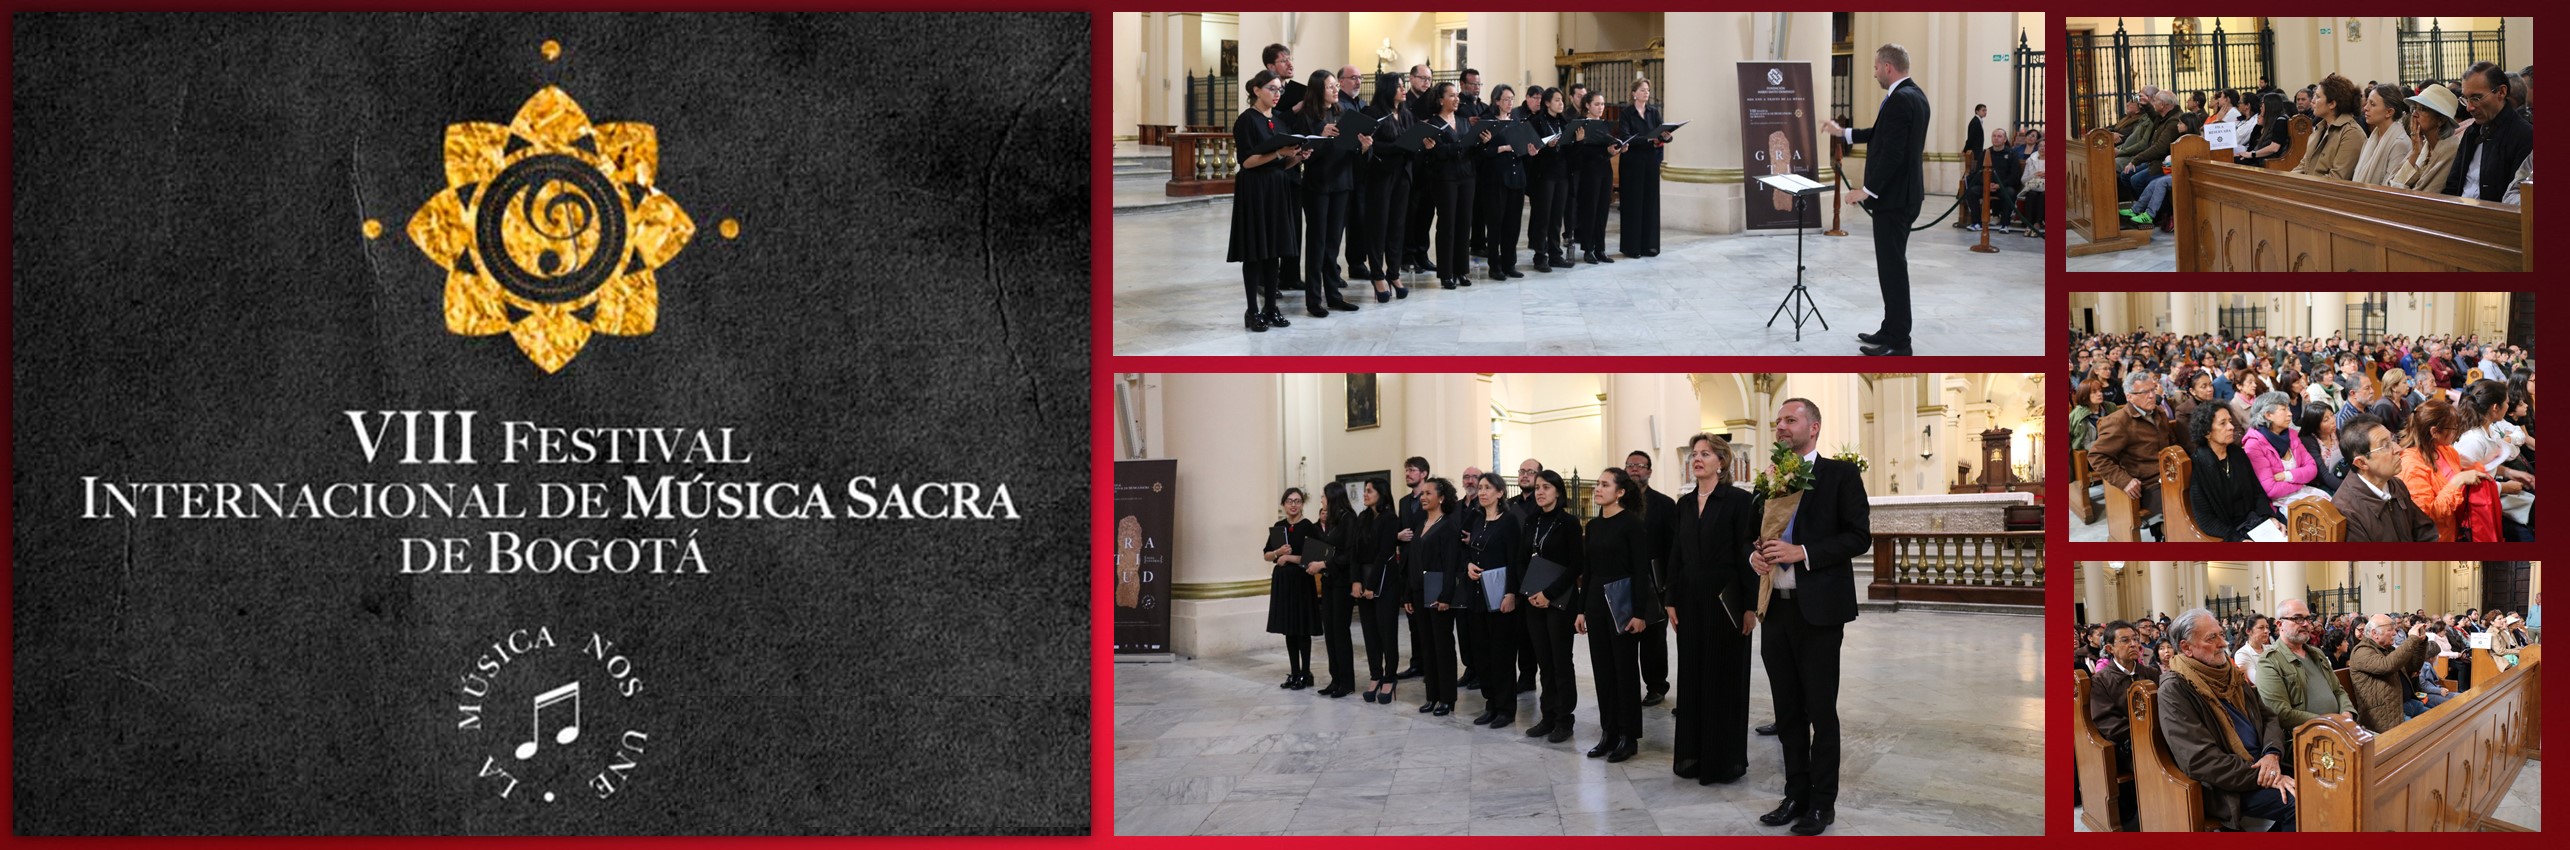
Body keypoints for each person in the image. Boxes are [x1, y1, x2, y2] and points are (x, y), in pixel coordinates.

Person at [1749, 398, 1871, 836]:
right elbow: (1756, 535)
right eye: (1778, 420)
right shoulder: (1769, 479)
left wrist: (1803, 553)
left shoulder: (1839, 474)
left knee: (1821, 709)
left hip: (1818, 613)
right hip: (1775, 611)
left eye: (1790, 420)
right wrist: (1755, 558)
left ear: (1814, 427)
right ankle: (1794, 794)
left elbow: (1859, 536)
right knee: (1786, 712)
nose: (1780, 426)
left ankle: (1822, 803)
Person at [1823, 44, 1930, 357]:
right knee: (1890, 269)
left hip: (1894, 200)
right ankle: (1890, 327)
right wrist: (1843, 133)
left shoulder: (1900, 99)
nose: (1873, 73)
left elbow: (1894, 153)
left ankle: (1900, 342)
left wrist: (1866, 190)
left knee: (1893, 270)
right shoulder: (1914, 95)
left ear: (1887, 67)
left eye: (1874, 67)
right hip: (1904, 196)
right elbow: (1880, 134)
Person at [1666, 433, 1758, 786]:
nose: (1697, 459)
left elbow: (1745, 555)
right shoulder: (1684, 504)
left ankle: (1723, 761)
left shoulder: (1738, 501)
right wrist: (1670, 598)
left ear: (1723, 461)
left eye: (1705, 454)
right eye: (1694, 454)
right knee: (1692, 676)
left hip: (1725, 600)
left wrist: (1749, 606)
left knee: (1724, 677)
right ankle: (1693, 756)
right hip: (1689, 600)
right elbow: (1676, 553)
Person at [2157, 608, 2299, 831]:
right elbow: (2200, 760)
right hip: (2227, 785)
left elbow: (2269, 717)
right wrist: (2264, 775)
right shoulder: (2175, 689)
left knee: (2327, 782)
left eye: (2221, 634)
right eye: (2212, 638)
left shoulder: (2229, 673)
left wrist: (2272, 754)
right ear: (2186, 647)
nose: (2223, 643)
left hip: (2265, 763)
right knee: (2300, 804)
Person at [1576, 467, 1657, 764]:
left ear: (1620, 492)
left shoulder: (1632, 525)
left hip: (1622, 604)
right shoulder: (1594, 526)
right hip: (1596, 603)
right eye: (1597, 484)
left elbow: (1640, 571)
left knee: (1624, 671)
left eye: (1604, 485)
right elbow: (1588, 570)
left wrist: (1639, 613)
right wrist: (1582, 609)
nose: (1597, 489)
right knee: (1603, 671)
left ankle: (1628, 736)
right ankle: (1608, 732)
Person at [1229, 70, 1310, 332]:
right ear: (1256, 90)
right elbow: (1248, 162)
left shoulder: (1277, 120)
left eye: (1280, 90)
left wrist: (1297, 157)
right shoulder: (1246, 121)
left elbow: (1281, 163)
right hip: (1254, 190)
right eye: (1272, 89)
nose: (1277, 94)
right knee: (1255, 253)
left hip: (1277, 188)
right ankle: (1252, 311)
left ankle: (1271, 309)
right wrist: (1278, 153)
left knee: (1273, 251)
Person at [1517, 469, 1584, 743]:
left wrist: (1549, 593)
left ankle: (1564, 720)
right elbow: (1521, 559)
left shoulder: (1568, 522)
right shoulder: (1531, 521)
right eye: (1537, 488)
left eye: (1546, 487)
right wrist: (1530, 591)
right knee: (1544, 661)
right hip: (1533, 600)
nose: (1540, 492)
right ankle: (1547, 716)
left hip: (1560, 601)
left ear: (1558, 491)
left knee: (1560, 661)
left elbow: (1576, 565)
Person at [1295, 70, 1365, 318]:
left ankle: (1334, 296)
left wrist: (1362, 146)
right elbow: (1302, 152)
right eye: (1330, 87)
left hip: (1342, 182)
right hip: (1318, 184)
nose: (1336, 90)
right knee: (1317, 244)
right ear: (1317, 90)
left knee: (1334, 243)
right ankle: (1314, 300)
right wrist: (1319, 136)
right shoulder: (1306, 116)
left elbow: (1348, 149)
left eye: (1337, 86)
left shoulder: (1342, 113)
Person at [1463, 472, 1521, 729]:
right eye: (1480, 487)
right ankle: (1491, 703)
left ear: (1500, 493)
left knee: (1501, 653)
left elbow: (1514, 560)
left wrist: (1511, 593)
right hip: (1477, 594)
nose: (1482, 492)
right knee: (1482, 653)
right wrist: (1468, 566)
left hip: (1500, 596)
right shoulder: (1477, 519)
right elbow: (1470, 551)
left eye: (1488, 488)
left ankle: (1506, 708)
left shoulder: (1508, 522)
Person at [2398, 399, 2499, 542]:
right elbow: (2428, 514)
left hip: (2455, 530)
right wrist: (2458, 481)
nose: (2455, 434)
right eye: (2452, 429)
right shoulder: (2410, 465)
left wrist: (2486, 463)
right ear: (2434, 431)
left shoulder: (2445, 450)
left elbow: (2462, 470)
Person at [2087, 372, 2173, 539]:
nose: (2151, 396)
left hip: (2170, 475)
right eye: (2144, 393)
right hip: (2148, 483)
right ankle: (2164, 536)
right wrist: (2124, 481)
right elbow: (2096, 456)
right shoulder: (2119, 422)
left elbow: (2172, 443)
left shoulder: (2159, 412)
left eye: (2153, 390)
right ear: (2130, 397)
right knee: (2173, 510)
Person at [1404, 477, 1464, 716]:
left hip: (1439, 593)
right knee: (1426, 645)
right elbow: (1412, 562)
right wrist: (1408, 593)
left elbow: (1451, 565)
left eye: (1428, 493)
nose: (1423, 497)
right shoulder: (1420, 524)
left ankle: (1447, 698)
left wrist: (1447, 596)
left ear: (1441, 497)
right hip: (1419, 592)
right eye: (1422, 494)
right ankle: (1432, 696)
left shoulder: (1448, 525)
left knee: (1443, 646)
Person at [2185, 401, 2285, 541]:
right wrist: (2238, 540)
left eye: (2230, 421)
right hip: (2229, 534)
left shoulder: (2237, 454)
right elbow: (2206, 519)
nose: (2231, 427)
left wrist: (2269, 517)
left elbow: (2257, 492)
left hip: (2254, 523)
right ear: (2207, 432)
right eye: (2223, 423)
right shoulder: (2200, 465)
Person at [2088, 620, 2154, 832]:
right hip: (2127, 745)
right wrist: (2144, 732)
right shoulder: (2101, 680)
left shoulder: (2151, 674)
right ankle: (2147, 817)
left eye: (2135, 639)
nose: (2133, 644)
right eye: (2125, 641)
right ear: (2109, 649)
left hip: (2158, 737)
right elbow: (2108, 724)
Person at [1626, 450, 1680, 707]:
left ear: (1649, 471)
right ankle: (1626, 686)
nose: (1634, 470)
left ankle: (1656, 686)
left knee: (1653, 640)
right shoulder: (1619, 501)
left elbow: (1672, 546)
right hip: (1624, 579)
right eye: (1630, 466)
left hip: (1654, 579)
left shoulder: (1664, 504)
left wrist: (1669, 583)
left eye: (1639, 466)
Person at [2254, 599, 2356, 733]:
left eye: (2308, 618)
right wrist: (2328, 723)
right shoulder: (2270, 661)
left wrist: (2347, 714)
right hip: (2306, 737)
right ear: (2280, 624)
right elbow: (2281, 712)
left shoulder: (2317, 654)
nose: (2306, 624)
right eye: (2298, 619)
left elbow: (2338, 690)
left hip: (2340, 728)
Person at [2453, 379, 2536, 540]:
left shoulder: (2489, 429)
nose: (2508, 406)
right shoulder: (2473, 440)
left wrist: (2510, 472)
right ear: (2495, 407)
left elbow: (2492, 461)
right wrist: (2504, 487)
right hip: (2483, 505)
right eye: (2506, 403)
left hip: (2495, 493)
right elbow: (2467, 484)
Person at [2332, 414, 2438, 542]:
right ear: (2362, 463)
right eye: (2385, 446)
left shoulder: (2395, 484)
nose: (2398, 448)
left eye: (2392, 439)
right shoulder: (2346, 511)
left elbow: (2423, 530)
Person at [1423, 83, 1486, 292]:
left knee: (1464, 224)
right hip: (1445, 179)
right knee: (1447, 225)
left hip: (1467, 176)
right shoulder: (1433, 124)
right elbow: (1437, 153)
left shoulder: (1463, 122)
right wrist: (1461, 146)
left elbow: (1470, 149)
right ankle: (1446, 273)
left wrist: (1481, 142)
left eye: (1458, 96)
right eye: (1452, 96)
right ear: (1441, 100)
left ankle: (1461, 270)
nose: (1457, 99)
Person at [2443, 62, 2533, 200]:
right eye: (2466, 99)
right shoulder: (2471, 132)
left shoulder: (2524, 135)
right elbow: (2453, 185)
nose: (2469, 108)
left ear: (2501, 92)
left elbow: (2515, 196)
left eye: (2476, 98)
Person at [1354, 477, 1407, 705]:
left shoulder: (1390, 519)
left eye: (1369, 491)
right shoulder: (1362, 517)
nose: (1365, 494)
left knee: (1386, 632)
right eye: (1365, 491)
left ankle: (1389, 677)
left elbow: (1385, 552)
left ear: (1381, 494)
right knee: (1369, 633)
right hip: (1363, 580)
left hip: (1384, 580)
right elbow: (1355, 551)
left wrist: (1371, 585)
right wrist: (1356, 582)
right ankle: (1375, 675)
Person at [1261, 488, 1320, 689]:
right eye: (1289, 501)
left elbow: (1313, 556)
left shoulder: (1308, 527)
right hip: (1283, 582)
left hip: (1301, 581)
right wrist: (1278, 552)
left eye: (1297, 501)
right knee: (1289, 630)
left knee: (1301, 629)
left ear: (1302, 504)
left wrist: (1288, 558)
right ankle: (1294, 672)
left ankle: (1306, 673)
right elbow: (1267, 555)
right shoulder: (1279, 527)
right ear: (1284, 504)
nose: (1293, 504)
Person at [1474, 84, 1532, 281]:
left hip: (1517, 178)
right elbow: (1480, 153)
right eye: (1506, 99)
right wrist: (1502, 148)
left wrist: (1531, 151)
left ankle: (1510, 264)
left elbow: (1523, 150)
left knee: (1513, 225)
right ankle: (1494, 266)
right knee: (1496, 224)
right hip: (1496, 180)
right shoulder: (1487, 122)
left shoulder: (1517, 121)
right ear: (1496, 101)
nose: (1509, 103)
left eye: (1512, 99)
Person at [1310, 485, 1360, 697]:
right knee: (1329, 632)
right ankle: (1335, 679)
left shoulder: (1349, 519)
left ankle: (1347, 682)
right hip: (1330, 582)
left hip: (1342, 583)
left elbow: (1347, 555)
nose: (1321, 499)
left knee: (1340, 632)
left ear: (1332, 497)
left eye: (1322, 496)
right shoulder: (1331, 520)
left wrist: (1322, 564)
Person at [2242, 392, 2329, 510]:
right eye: (2284, 409)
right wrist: (2300, 480)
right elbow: (2271, 489)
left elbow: (2312, 469)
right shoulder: (2254, 444)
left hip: (2302, 491)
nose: (2290, 414)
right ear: (2268, 415)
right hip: (2277, 503)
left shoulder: (2291, 434)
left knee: (2332, 507)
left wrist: (2287, 476)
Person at [2347, 615, 2434, 733]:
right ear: (2374, 633)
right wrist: (2412, 639)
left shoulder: (2388, 650)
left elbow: (2413, 666)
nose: (2395, 633)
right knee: (2425, 734)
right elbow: (2387, 665)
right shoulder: (2361, 651)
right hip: (2386, 714)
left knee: (2441, 722)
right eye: (2390, 630)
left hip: (2406, 704)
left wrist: (2421, 642)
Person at [1568, 91, 1626, 266]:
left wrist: (1615, 150)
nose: (1601, 108)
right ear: (1587, 105)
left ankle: (1600, 249)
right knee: (1589, 211)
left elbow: (1606, 147)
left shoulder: (1604, 124)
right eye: (1597, 104)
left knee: (1602, 211)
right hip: (1589, 171)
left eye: (1602, 104)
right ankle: (1588, 249)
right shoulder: (1580, 124)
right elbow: (1578, 153)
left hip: (1604, 170)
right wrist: (1599, 149)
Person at [1617, 78, 1672, 258]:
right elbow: (1626, 137)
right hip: (1632, 163)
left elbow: (1661, 135)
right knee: (1633, 204)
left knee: (1650, 203)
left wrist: (1666, 136)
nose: (1646, 93)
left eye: (1647, 90)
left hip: (1650, 162)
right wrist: (1649, 139)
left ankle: (1650, 246)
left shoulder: (1653, 112)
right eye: (1642, 90)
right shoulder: (1626, 113)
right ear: (1634, 93)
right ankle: (1632, 247)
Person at [1522, 87, 1572, 273]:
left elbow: (1569, 149)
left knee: (1557, 216)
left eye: (1562, 100)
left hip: (1562, 174)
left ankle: (1555, 254)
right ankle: (1540, 256)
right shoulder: (1536, 122)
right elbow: (1530, 151)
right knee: (1543, 216)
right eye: (1557, 100)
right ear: (1547, 103)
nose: (1561, 103)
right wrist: (1546, 146)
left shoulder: (1564, 122)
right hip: (1543, 175)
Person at [2290, 74, 2364, 181]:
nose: (2313, 101)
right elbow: (2303, 166)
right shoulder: (2321, 127)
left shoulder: (2352, 133)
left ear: (2332, 104)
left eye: (2318, 97)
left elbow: (2336, 179)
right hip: (2310, 190)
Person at [2350, 83, 2415, 186]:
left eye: (2372, 104)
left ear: (2389, 112)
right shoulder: (2372, 138)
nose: (2365, 108)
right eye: (2367, 103)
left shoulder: (2399, 144)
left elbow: (2391, 187)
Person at [2070, 379, 2115, 453]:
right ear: (2085, 395)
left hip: (2114, 449)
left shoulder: (2110, 407)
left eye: (2100, 391)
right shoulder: (2078, 415)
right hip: (2090, 454)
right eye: (2094, 392)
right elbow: (2084, 444)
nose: (2099, 394)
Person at [2231, 615, 2272, 681]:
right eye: (2261, 628)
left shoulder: (2271, 648)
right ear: (2248, 631)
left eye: (2267, 627)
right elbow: (2258, 680)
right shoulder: (2242, 654)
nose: (2266, 631)